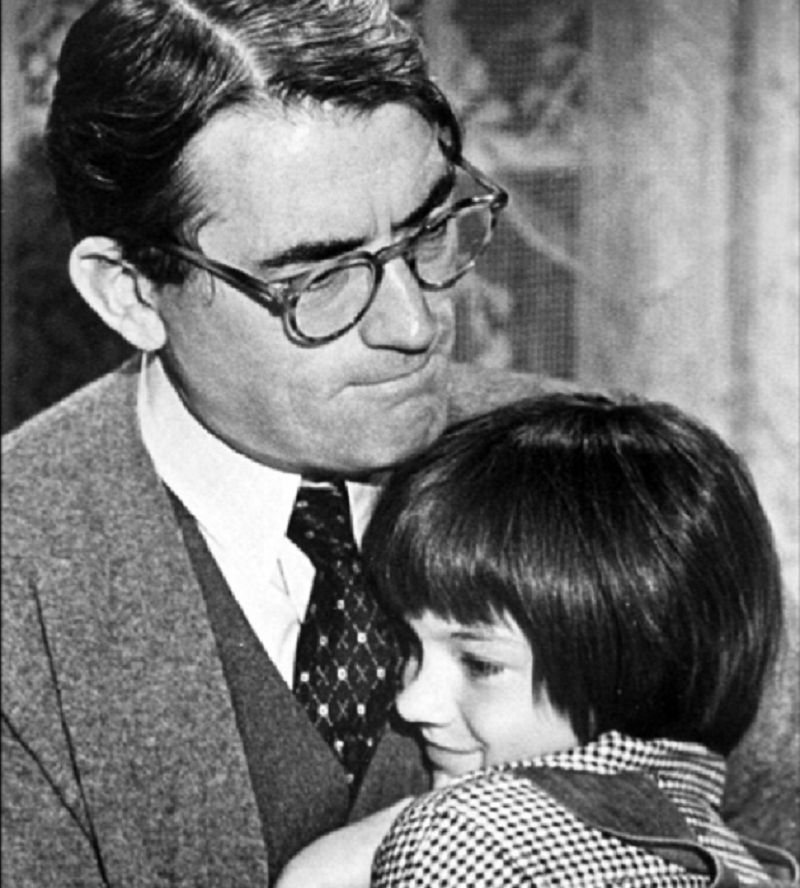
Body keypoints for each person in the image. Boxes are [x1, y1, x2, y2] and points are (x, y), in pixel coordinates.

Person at [1, 1, 567, 886]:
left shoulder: (612, 478)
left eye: (428, 231)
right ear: (130, 293)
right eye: (319, 277)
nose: (416, 325)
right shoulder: (17, 578)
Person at [278, 393, 797, 887]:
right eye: (410, 650)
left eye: (480, 663)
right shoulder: (743, 860)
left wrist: (314, 877)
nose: (412, 703)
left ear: (633, 659)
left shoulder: (467, 838)